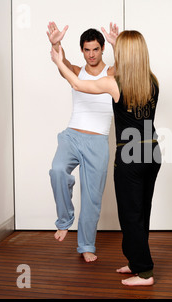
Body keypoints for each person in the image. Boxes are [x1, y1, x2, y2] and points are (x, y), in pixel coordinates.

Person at [51, 29, 161, 286]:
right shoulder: (152, 80)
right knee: (141, 212)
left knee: (130, 215)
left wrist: (58, 62)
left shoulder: (116, 83)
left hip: (131, 155)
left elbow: (77, 84)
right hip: (151, 151)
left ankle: (145, 272)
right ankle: (136, 263)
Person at [46, 22, 118, 262]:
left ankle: (86, 245)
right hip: (73, 136)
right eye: (87, 50)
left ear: (102, 49)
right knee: (57, 170)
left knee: (91, 199)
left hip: (97, 141)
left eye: (96, 49)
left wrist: (117, 45)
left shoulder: (110, 73)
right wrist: (56, 43)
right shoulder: (76, 72)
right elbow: (61, 64)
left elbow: (125, 67)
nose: (91, 54)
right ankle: (64, 220)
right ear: (82, 50)